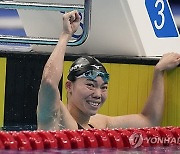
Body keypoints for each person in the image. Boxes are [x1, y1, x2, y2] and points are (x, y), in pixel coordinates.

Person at [37, 10, 180, 130]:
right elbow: (49, 82)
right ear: (69, 86)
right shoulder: (55, 119)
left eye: (104, 87)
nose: (98, 94)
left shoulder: (100, 124)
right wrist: (65, 35)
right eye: (90, 85)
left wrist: (159, 72)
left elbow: (149, 122)